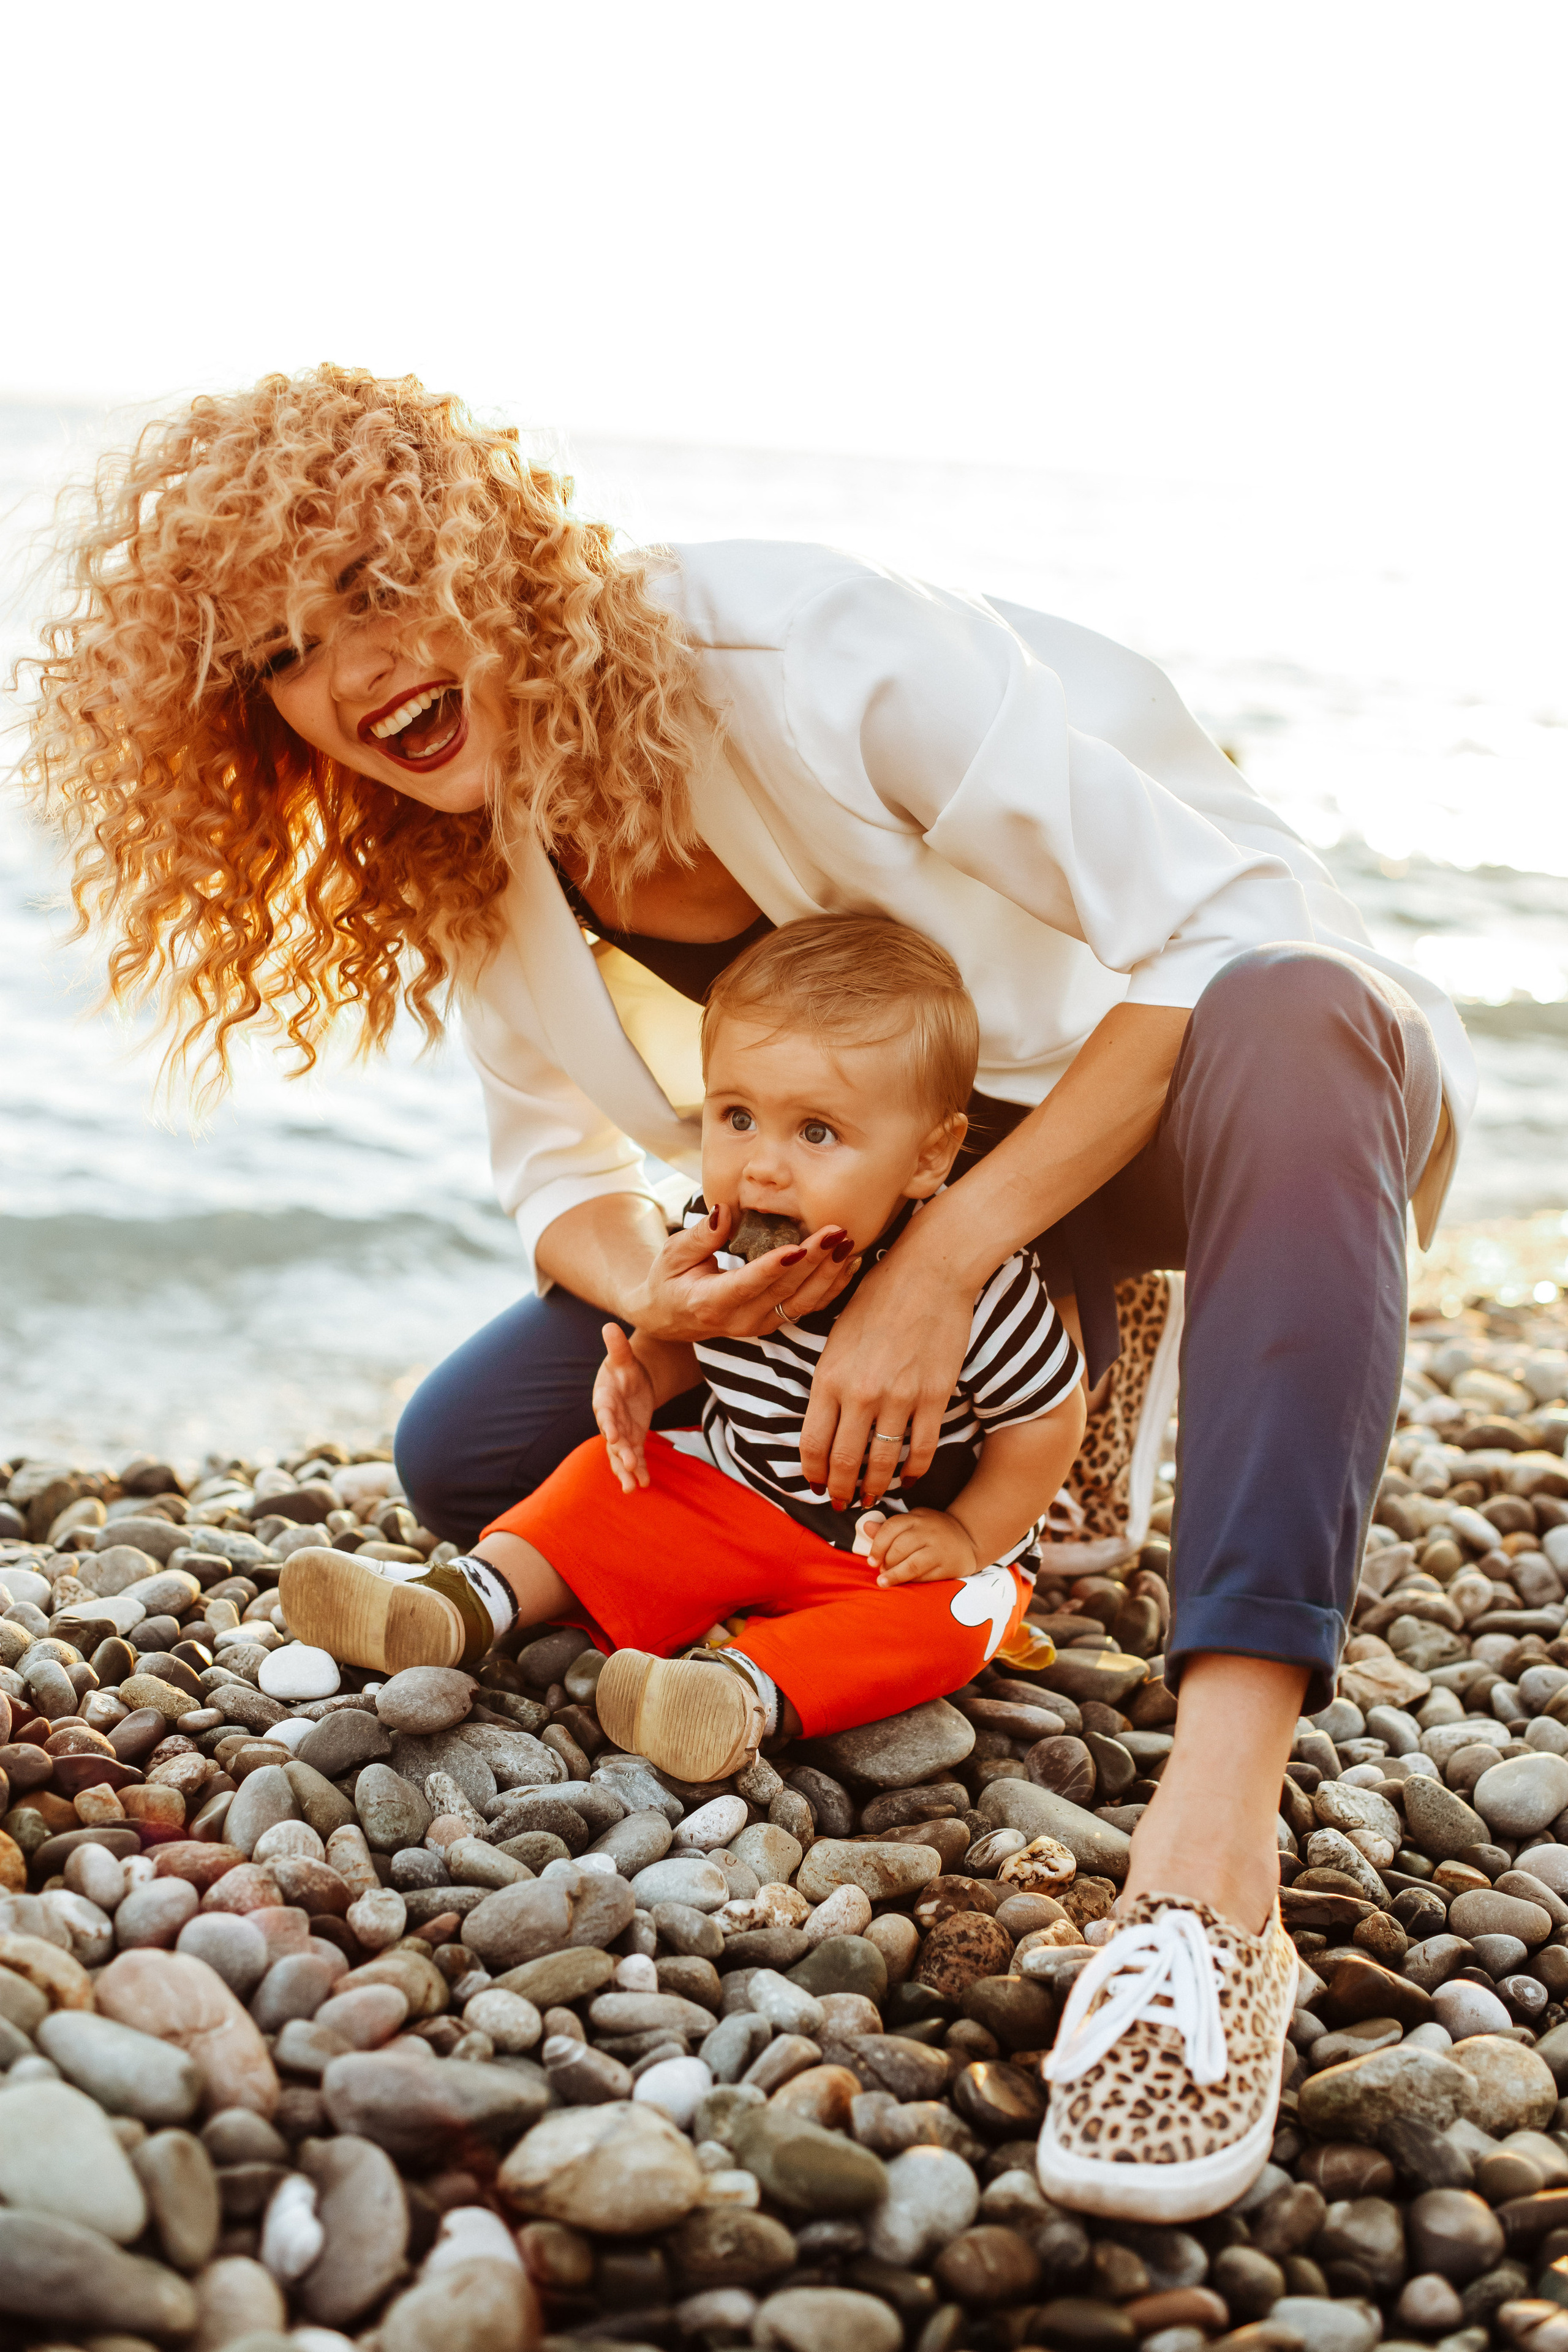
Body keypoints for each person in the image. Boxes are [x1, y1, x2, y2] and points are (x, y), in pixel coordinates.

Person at [20, 365, 1474, 2218]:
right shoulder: (458, 852)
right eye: (286, 655)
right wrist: (672, 1306)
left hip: (1216, 1105)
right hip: (866, 1218)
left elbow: (1253, 914)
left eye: (380, 585)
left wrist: (948, 1259)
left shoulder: (810, 649)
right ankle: (988, 1487)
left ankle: (1209, 1865)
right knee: (475, 1446)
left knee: (1293, 1005)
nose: (350, 672)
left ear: (492, 546)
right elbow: (555, 1171)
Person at [279, 913, 1087, 1779]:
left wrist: (968, 1534)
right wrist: (645, 1371)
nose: (763, 1167)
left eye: (816, 1133)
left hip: (893, 1549)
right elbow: (697, 1344)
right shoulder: (717, 1232)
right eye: (737, 1117)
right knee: (603, 1480)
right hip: (739, 1494)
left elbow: (1047, 1423)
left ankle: (736, 1695)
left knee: (956, 1620)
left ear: (929, 1159)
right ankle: (454, 1609)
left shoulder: (981, 1291)